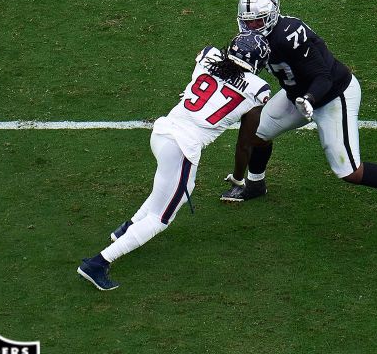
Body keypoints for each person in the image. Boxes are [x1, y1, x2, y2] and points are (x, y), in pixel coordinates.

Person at [222, 0, 377, 231]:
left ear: (271, 15)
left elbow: (323, 77)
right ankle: (255, 184)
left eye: (257, 22)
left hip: (333, 95)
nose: (251, 28)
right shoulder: (250, 38)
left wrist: (310, 99)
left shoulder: (290, 35)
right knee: (258, 133)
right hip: (297, 94)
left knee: (350, 172)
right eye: (247, 22)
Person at [77, 32, 272, 290]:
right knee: (161, 218)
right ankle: (98, 263)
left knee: (165, 190)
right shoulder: (258, 88)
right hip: (183, 147)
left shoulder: (210, 56)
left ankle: (126, 229)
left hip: (162, 134)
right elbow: (257, 112)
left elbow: (213, 63)